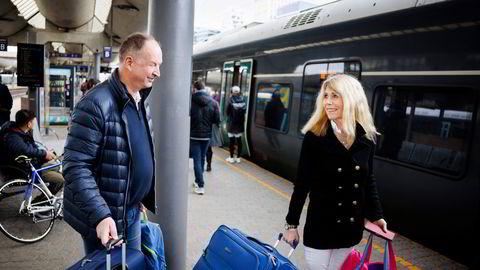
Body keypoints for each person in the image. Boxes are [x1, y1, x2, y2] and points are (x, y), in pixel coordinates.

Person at [63, 32, 162, 255]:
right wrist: (100, 214)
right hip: (107, 218)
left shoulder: (140, 99)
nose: (158, 72)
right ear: (129, 62)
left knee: (133, 264)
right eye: (153, 64)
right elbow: (74, 166)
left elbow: (135, 152)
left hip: (132, 210)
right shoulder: (95, 103)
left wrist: (139, 194)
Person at [283, 74, 388, 270]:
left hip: (350, 228)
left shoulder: (367, 137)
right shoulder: (315, 136)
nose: (328, 103)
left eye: (335, 96)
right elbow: (302, 183)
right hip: (321, 226)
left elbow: (368, 179)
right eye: (325, 96)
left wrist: (377, 215)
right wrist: (291, 225)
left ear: (350, 99)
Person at [2, 110, 63, 196]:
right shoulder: (13, 137)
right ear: (29, 124)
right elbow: (26, 150)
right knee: (61, 179)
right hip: (26, 170)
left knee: (58, 166)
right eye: (34, 121)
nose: (35, 123)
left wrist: (45, 153)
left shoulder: (21, 132)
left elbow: (31, 149)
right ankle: (43, 203)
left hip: (31, 165)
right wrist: (44, 154)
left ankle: (45, 201)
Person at [190, 81, 220, 195]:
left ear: (195, 88)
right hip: (207, 136)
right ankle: (198, 181)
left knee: (197, 160)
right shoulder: (213, 102)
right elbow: (217, 119)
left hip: (194, 135)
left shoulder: (191, 101)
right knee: (202, 158)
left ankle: (200, 184)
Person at [226, 85, 246, 163]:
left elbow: (227, 112)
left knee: (231, 141)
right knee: (239, 141)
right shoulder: (243, 100)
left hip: (232, 124)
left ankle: (231, 157)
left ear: (232, 92)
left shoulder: (230, 100)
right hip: (240, 124)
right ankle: (238, 158)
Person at [205, 87, 222, 172]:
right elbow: (217, 118)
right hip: (210, 129)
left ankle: (200, 164)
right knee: (208, 148)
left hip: (198, 130)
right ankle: (209, 164)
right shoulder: (215, 103)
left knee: (200, 148)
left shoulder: (195, 101)